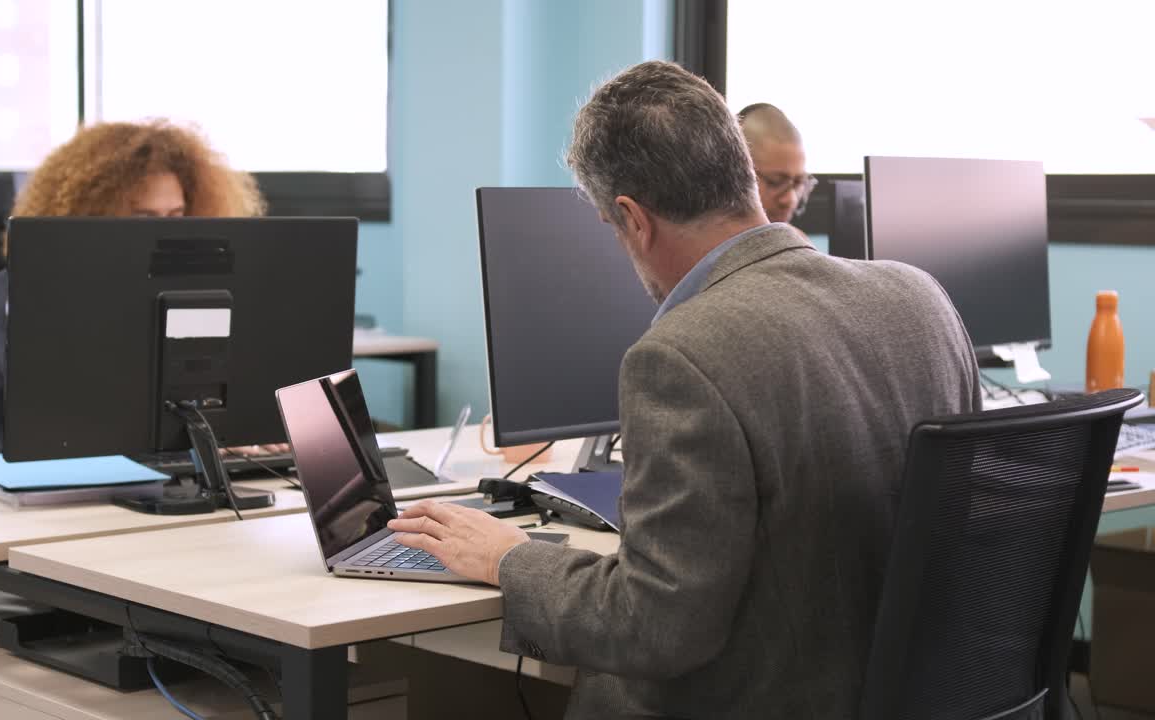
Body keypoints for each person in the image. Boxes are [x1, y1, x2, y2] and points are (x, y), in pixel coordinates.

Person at [388, 61, 981, 718]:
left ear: (632, 218)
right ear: (741, 173)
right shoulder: (921, 297)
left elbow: (654, 627)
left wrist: (509, 558)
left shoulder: (680, 354)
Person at [0, 120, 265, 652]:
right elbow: (62, 407)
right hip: (40, 502)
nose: (164, 233)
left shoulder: (210, 296)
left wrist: (242, 429)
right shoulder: (25, 287)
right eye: (142, 219)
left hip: (171, 503)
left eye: (176, 217)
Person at [738, 102, 814, 224]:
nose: (790, 200)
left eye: (798, 182)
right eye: (776, 182)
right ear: (737, 174)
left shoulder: (794, 236)